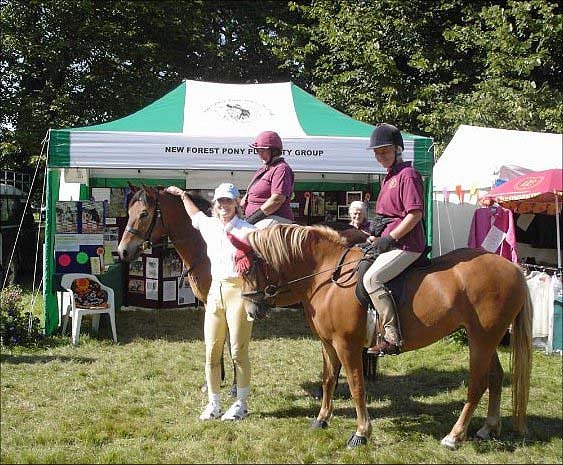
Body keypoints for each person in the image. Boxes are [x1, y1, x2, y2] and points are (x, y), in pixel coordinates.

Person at [166, 182, 256, 420]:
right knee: (212, 351)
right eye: (220, 201)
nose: (224, 205)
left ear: (237, 203)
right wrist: (183, 194)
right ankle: (214, 403)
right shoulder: (209, 225)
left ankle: (241, 404)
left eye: (228, 201)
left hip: (238, 291)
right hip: (215, 291)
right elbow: (194, 214)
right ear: (215, 204)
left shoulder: (247, 230)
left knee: (238, 350)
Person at [363, 123, 426, 356]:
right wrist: (375, 235)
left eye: (385, 151)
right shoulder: (389, 177)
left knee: (372, 279)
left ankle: (391, 336)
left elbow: (414, 214)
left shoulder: (407, 175)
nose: (381, 156)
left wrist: (390, 238)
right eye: (377, 153)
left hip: (408, 244)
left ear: (398, 149)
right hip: (391, 241)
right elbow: (387, 215)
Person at [241, 130, 295, 228]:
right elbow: (247, 196)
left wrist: (252, 219)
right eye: (257, 151)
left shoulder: (281, 169)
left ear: (274, 151)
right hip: (258, 219)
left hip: (274, 218)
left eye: (262, 151)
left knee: (249, 237)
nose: (259, 154)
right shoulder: (264, 169)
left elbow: (277, 200)